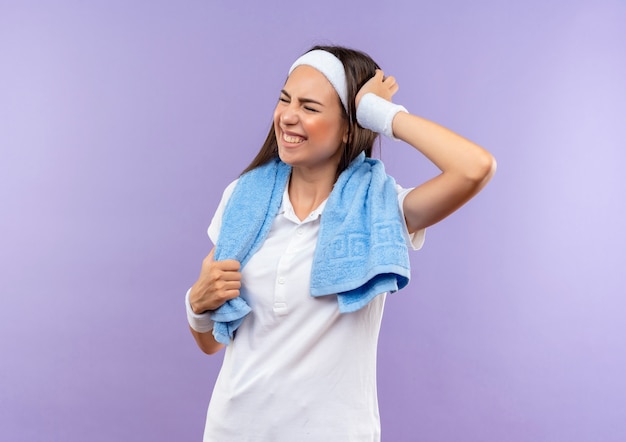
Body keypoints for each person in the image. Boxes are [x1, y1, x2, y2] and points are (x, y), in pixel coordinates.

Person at [184, 45, 496, 441]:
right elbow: (211, 341)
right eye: (285, 100)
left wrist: (380, 114)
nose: (288, 116)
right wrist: (197, 305)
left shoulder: (381, 210)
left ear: (350, 125)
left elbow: (474, 168)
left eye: (310, 107)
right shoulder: (244, 199)